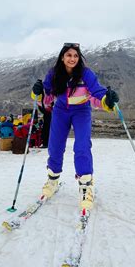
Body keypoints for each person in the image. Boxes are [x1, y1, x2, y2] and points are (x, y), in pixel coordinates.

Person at [31, 42, 119, 210]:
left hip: (81, 112)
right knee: (55, 146)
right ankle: (52, 180)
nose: (72, 58)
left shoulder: (86, 74)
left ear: (79, 58)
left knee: (82, 146)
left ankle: (86, 186)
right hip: (60, 111)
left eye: (76, 56)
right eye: (69, 55)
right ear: (62, 57)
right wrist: (38, 91)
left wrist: (107, 100)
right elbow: (46, 96)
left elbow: (97, 92)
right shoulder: (54, 73)